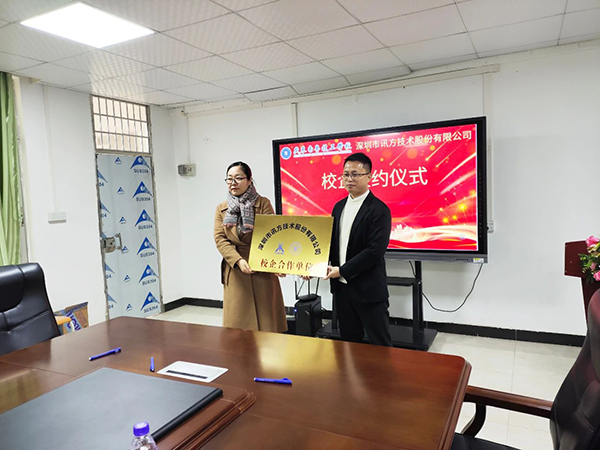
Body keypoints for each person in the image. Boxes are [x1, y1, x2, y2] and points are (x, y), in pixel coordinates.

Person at [324, 152, 392, 346]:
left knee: (380, 344)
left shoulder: (379, 210)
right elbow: (331, 243)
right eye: (346, 174)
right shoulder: (338, 207)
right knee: (349, 345)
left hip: (368, 289)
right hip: (342, 289)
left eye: (355, 174)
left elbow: (374, 251)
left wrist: (342, 270)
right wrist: (314, 266)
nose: (349, 179)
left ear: (369, 177)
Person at [214, 161, 287, 333]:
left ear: (249, 180)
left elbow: (272, 235)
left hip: (262, 266)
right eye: (229, 179)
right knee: (238, 325)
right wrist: (238, 260)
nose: (233, 183)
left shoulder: (263, 203)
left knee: (267, 321)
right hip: (236, 267)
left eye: (238, 178)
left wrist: (276, 263)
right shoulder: (222, 209)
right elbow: (220, 239)